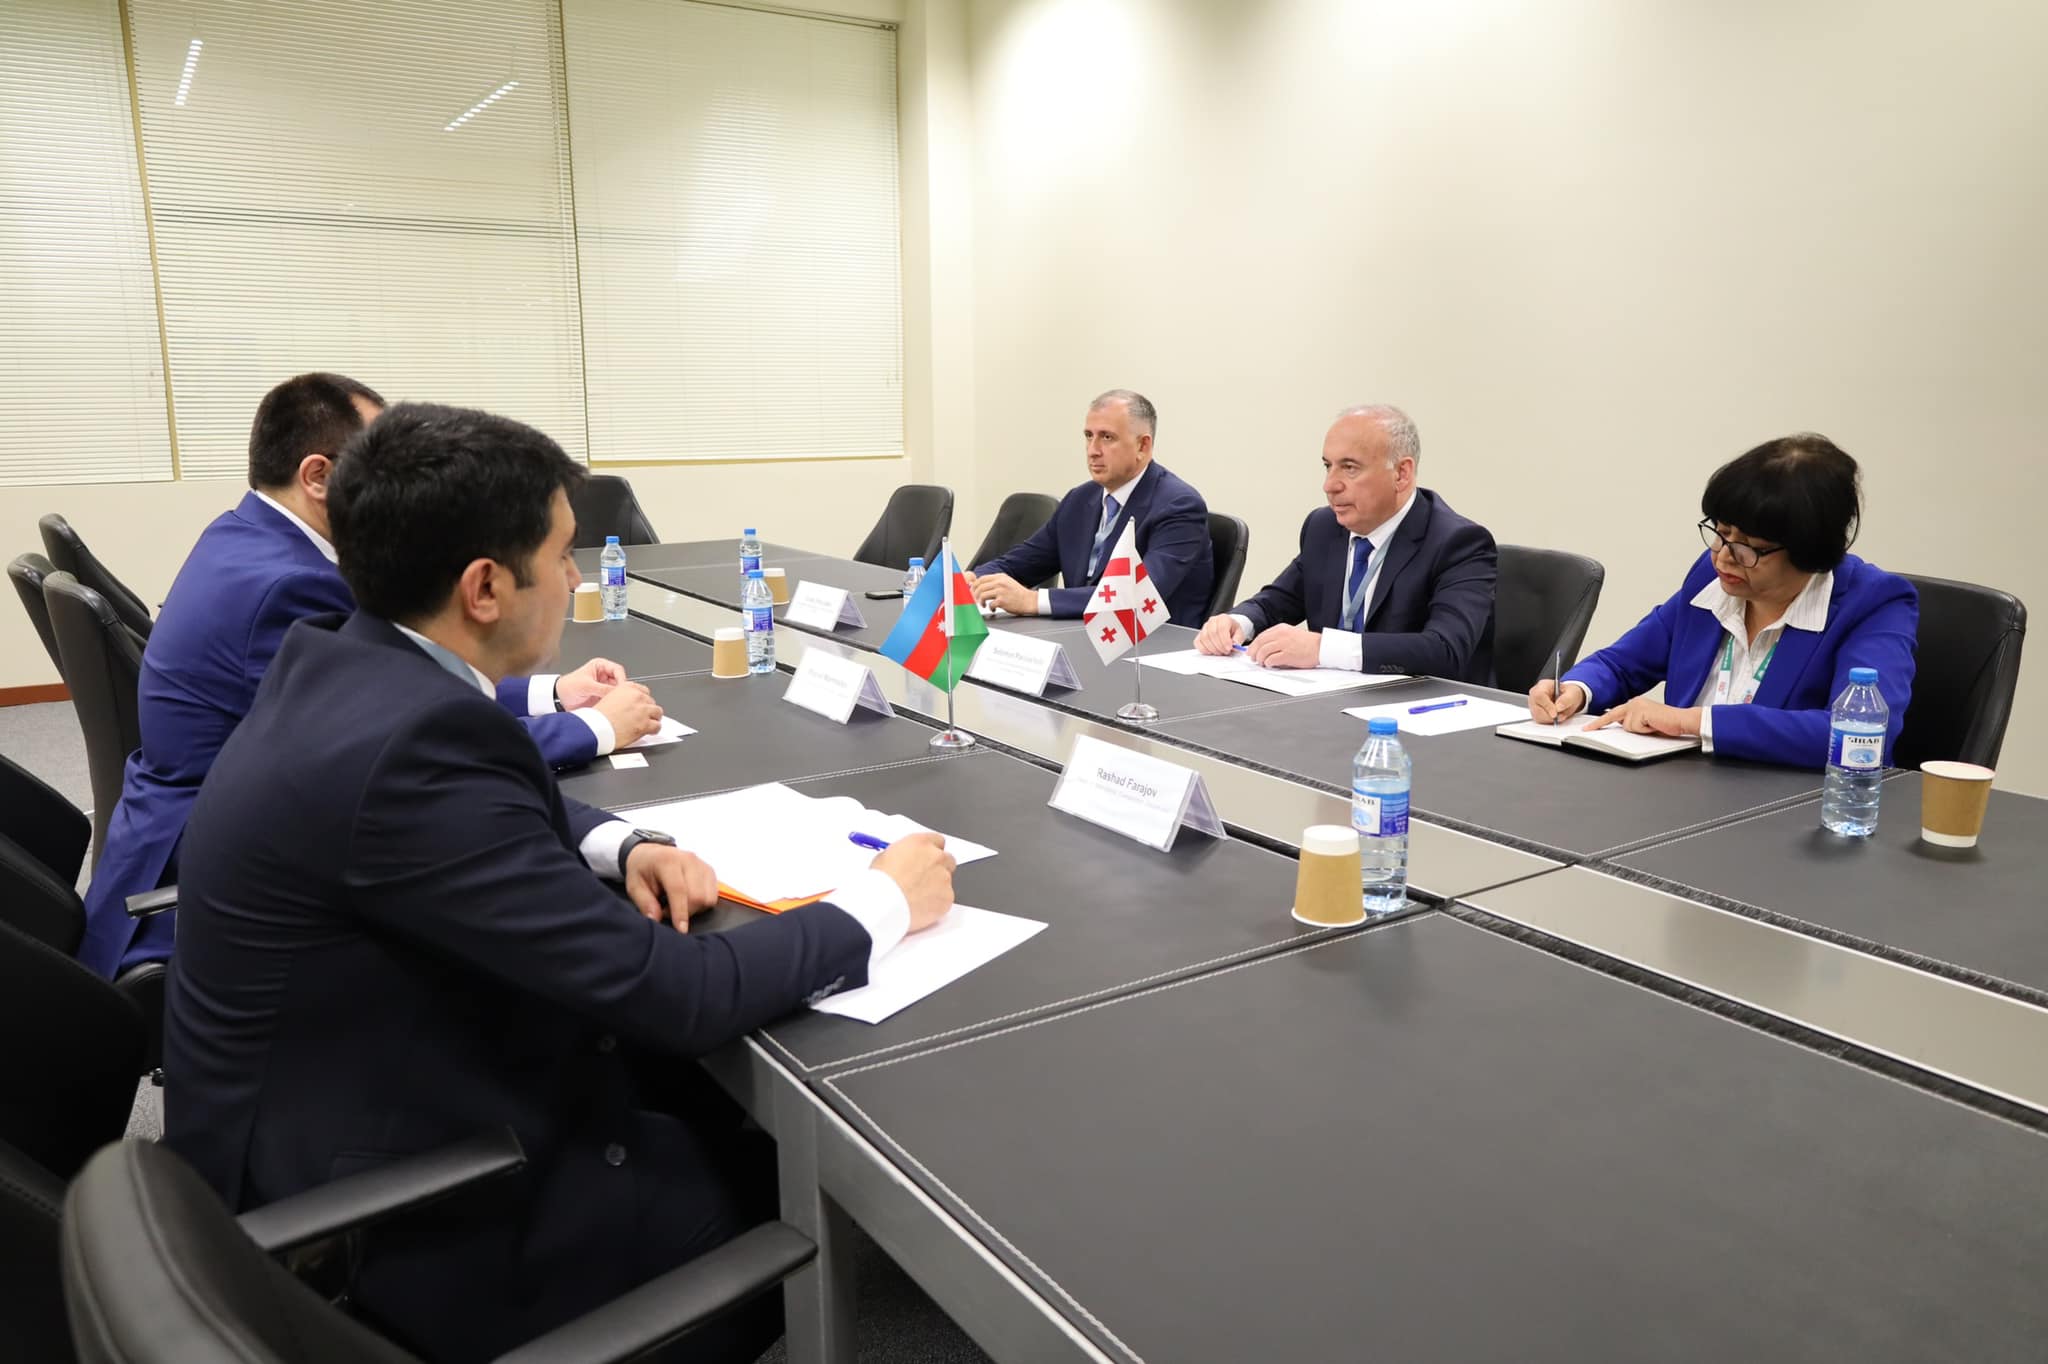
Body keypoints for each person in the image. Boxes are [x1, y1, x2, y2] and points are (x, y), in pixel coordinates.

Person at [163, 402, 957, 1363]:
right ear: (485, 587)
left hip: (336, 1112)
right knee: (796, 1189)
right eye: (563, 554)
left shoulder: (347, 662)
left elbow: (484, 793)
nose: (577, 577)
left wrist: (623, 844)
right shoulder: (416, 747)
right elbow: (681, 995)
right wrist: (883, 900)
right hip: (397, 1227)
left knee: (707, 1103)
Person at [76, 374, 659, 979]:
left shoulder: (248, 537)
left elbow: (402, 687)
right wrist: (594, 728)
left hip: (198, 835)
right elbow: (409, 745)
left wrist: (551, 692)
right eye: (377, 460)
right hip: (204, 900)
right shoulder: (289, 586)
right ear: (318, 476)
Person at [1527, 434, 1917, 767]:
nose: (1723, 555)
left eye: (1748, 546)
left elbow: (1861, 736)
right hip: (1679, 791)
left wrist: (1692, 722)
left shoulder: (1874, 604)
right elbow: (1622, 663)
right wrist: (1576, 689)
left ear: (1809, 550)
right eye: (1721, 531)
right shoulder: (1714, 576)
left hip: (1784, 810)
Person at [1193, 404, 1497, 680]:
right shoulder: (1324, 526)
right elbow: (1279, 600)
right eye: (1328, 466)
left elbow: (1445, 649)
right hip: (1330, 702)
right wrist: (1238, 622)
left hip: (1422, 710)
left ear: (1401, 474)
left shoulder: (1459, 543)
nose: (1330, 485)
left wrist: (1323, 649)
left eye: (1350, 467)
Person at [966, 389, 1214, 625]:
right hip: (1080, 636)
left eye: (1107, 437)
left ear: (1142, 446)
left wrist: (1034, 600)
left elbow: (1138, 594)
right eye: (1088, 436)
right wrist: (975, 580)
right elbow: (1020, 563)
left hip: (1151, 646)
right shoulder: (1080, 499)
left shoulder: (1179, 505)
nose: (1093, 450)